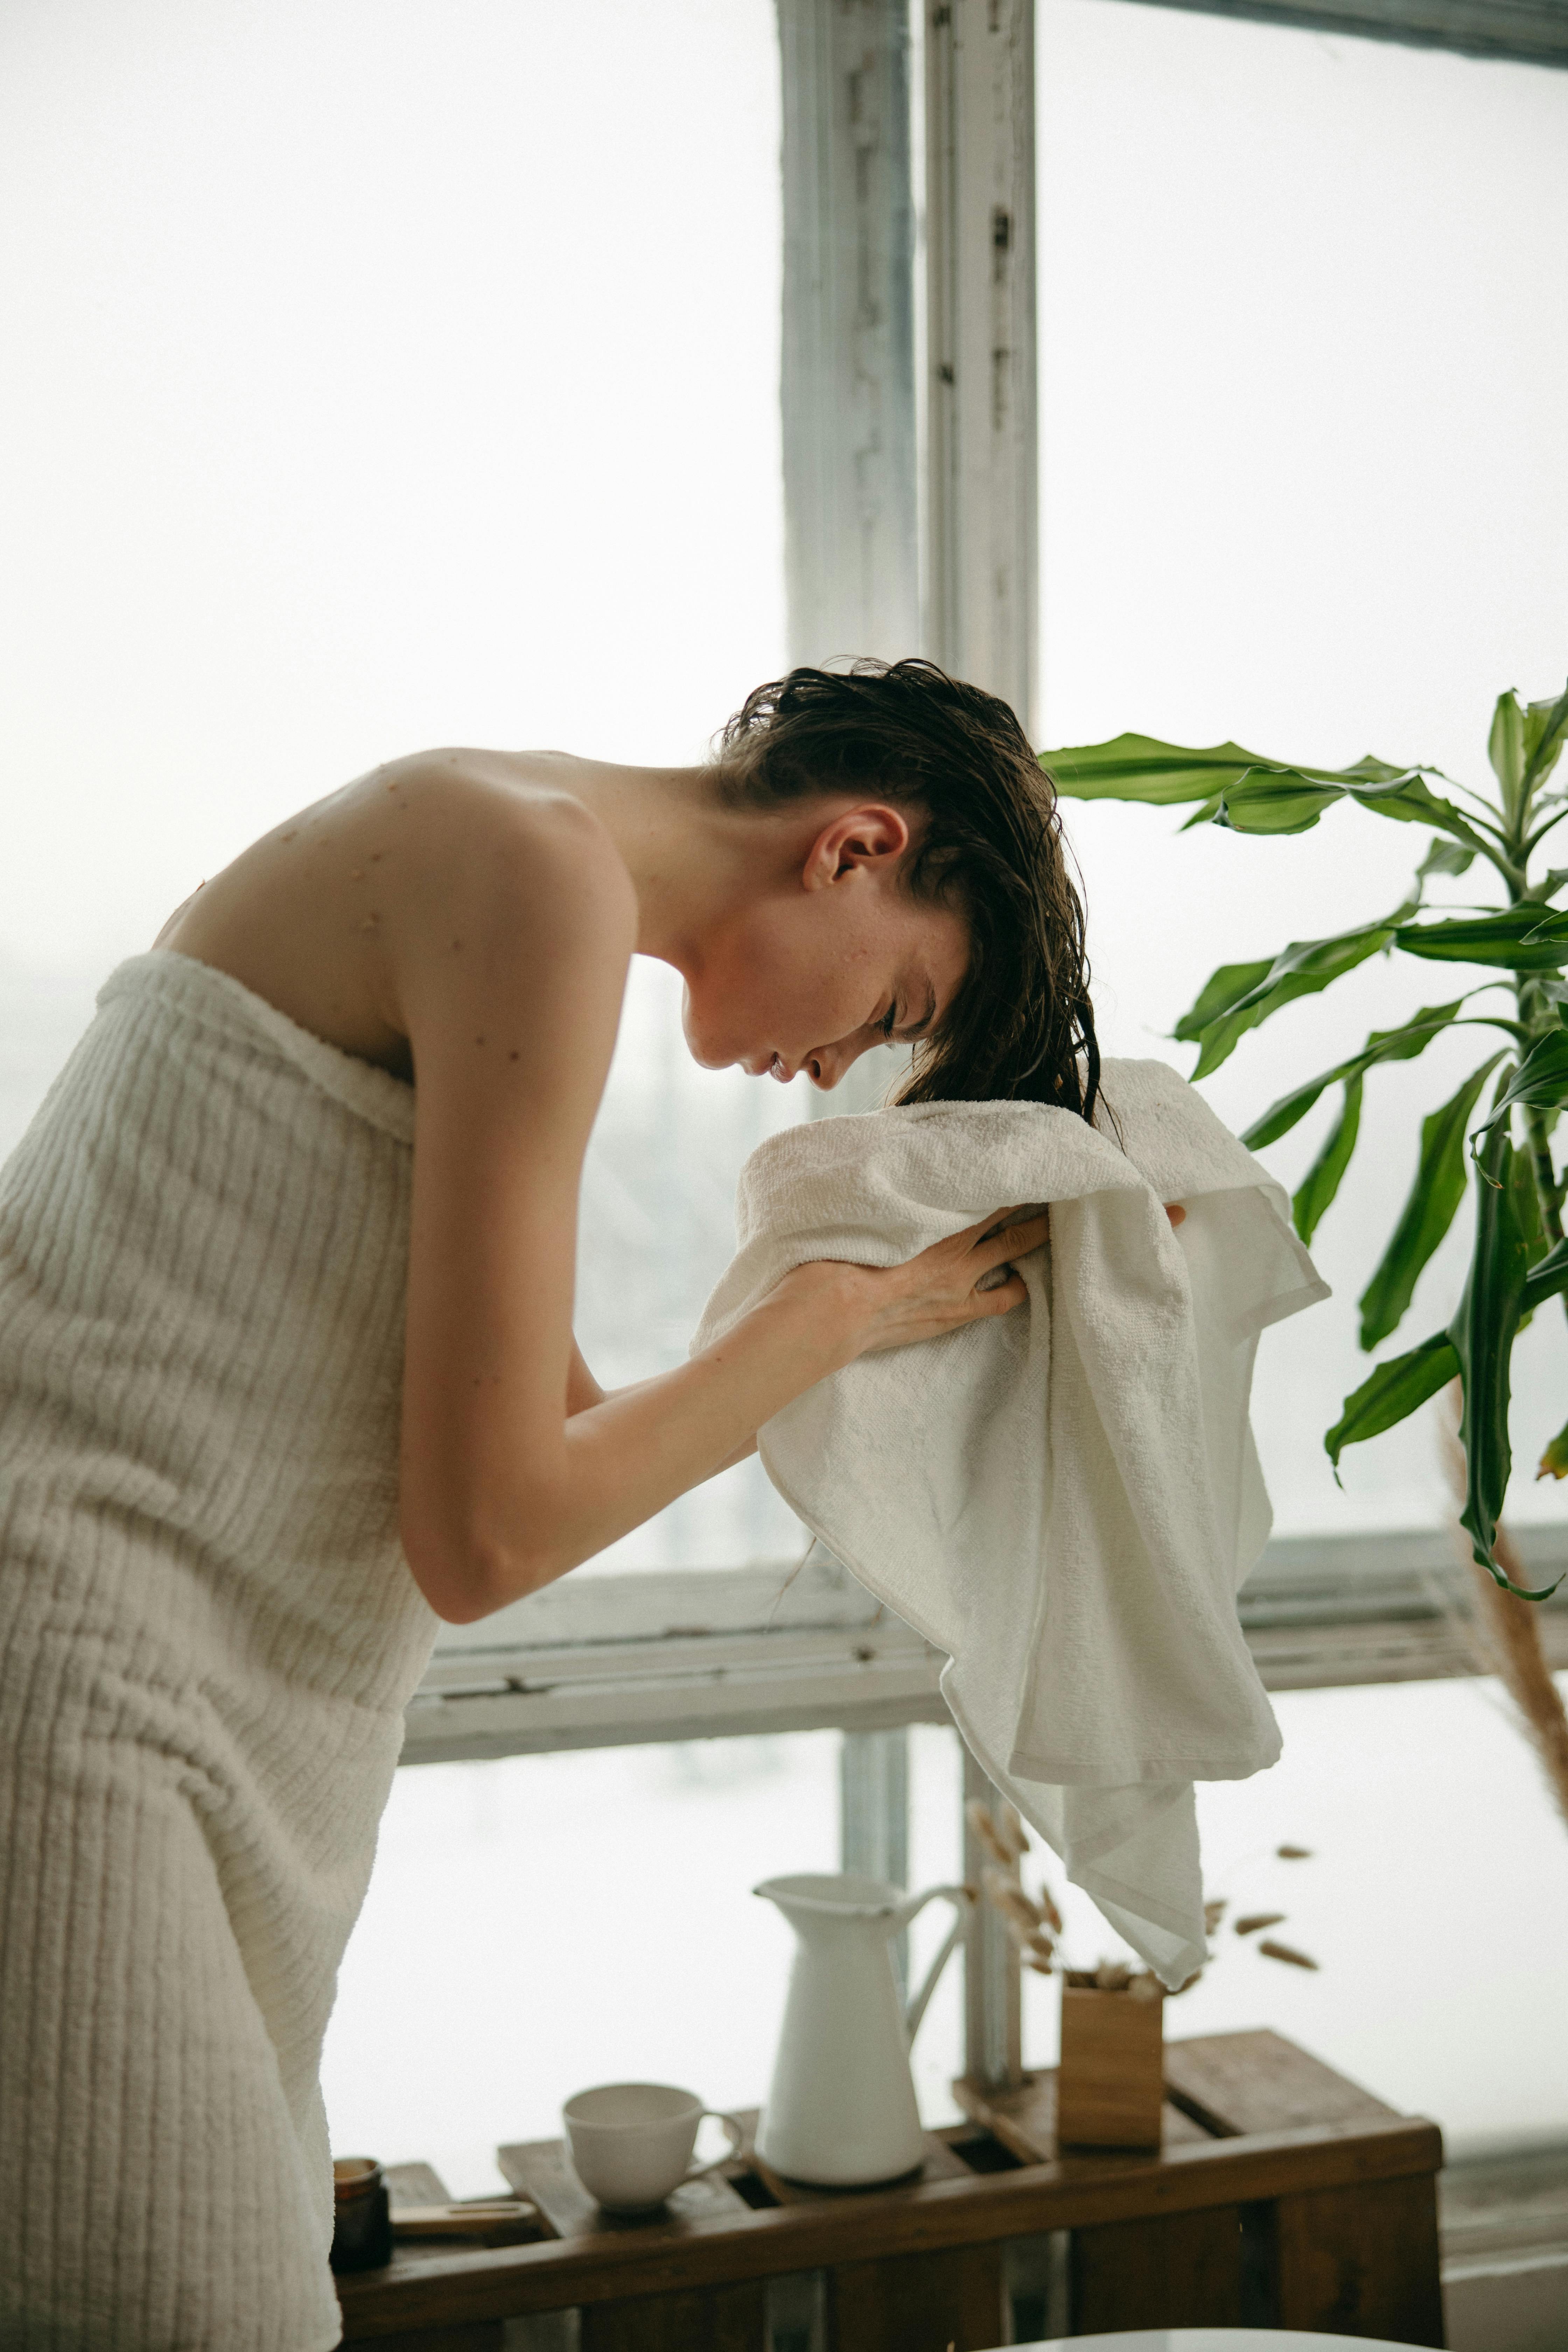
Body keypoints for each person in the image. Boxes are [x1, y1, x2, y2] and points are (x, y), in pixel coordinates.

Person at [0, 658, 1139, 2347]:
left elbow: (554, 1431)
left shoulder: (502, 844)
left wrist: (890, 1321)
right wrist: (815, 1323)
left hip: (172, 1703)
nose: (839, 1065)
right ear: (856, 848)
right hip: (79, 1691)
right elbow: (489, 1542)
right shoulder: (525, 865)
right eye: (894, 1010)